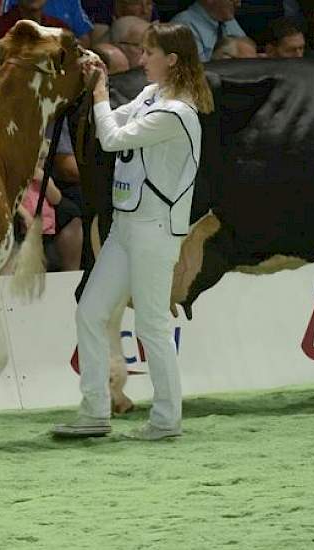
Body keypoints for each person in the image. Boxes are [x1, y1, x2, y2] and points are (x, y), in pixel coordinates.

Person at [52, 22, 213, 441]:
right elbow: (112, 120)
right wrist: (95, 81)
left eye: (149, 53)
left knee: (152, 325)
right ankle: (94, 411)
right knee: (89, 312)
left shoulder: (177, 113)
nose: (141, 60)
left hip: (155, 230)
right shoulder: (152, 96)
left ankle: (166, 420)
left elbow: (112, 138)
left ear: (172, 60)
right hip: (126, 226)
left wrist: (102, 92)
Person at [171, 0, 246, 62]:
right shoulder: (182, 26)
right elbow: (198, 72)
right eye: (233, 0)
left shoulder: (229, 21)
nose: (239, 4)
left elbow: (248, 51)